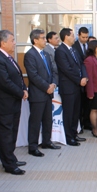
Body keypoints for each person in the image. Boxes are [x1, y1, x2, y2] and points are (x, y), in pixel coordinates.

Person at [0, 30, 28, 175]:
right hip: (3, 105)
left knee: (12, 132)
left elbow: (18, 75)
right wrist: (20, 92)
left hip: (13, 103)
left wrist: (24, 88)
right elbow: (4, 82)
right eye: (12, 40)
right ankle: (9, 164)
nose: (14, 43)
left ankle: (11, 157)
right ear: (3, 43)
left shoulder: (9, 58)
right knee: (5, 135)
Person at [24, 29, 60, 157]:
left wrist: (53, 84)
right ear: (35, 40)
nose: (45, 40)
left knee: (47, 119)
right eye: (43, 38)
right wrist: (46, 87)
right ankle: (33, 147)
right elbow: (33, 76)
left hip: (48, 92)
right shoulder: (30, 55)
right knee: (35, 121)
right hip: (38, 93)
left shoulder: (45, 54)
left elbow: (52, 71)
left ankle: (46, 141)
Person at [54, 28, 88, 146]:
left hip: (77, 86)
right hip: (68, 87)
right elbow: (67, 70)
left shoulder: (73, 50)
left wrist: (84, 77)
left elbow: (82, 64)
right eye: (73, 35)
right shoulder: (60, 51)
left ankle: (74, 133)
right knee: (69, 113)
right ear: (66, 37)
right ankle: (69, 137)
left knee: (76, 112)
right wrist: (79, 80)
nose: (75, 38)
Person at [73, 27, 92, 132]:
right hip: (79, 79)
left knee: (88, 102)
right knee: (79, 105)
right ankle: (79, 125)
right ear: (78, 35)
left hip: (89, 78)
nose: (85, 39)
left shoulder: (89, 45)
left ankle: (87, 123)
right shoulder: (74, 46)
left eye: (86, 37)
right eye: (83, 37)